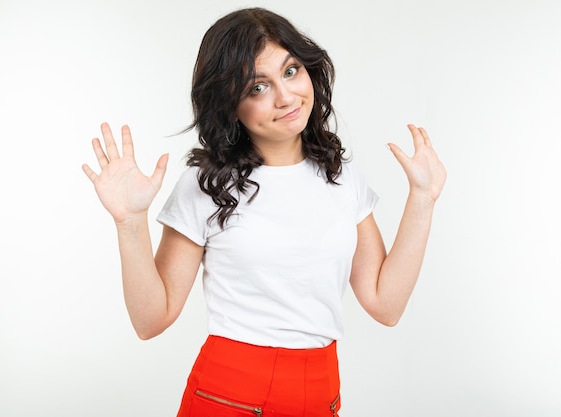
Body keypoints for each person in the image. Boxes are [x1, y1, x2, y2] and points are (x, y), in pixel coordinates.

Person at [82, 7, 446, 417]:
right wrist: (129, 223)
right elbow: (151, 320)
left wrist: (423, 198)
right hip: (230, 396)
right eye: (258, 87)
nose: (285, 97)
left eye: (291, 71)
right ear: (229, 104)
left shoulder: (341, 176)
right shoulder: (209, 184)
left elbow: (385, 304)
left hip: (321, 392)